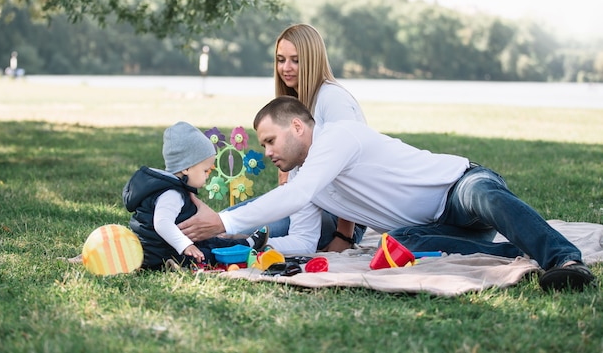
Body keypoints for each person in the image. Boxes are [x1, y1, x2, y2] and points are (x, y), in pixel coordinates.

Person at [181, 96, 596, 291]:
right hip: (429, 229)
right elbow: (306, 240)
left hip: (456, 186)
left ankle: (565, 259)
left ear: (297, 127)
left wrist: (225, 219)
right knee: (394, 245)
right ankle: (523, 251)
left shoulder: (337, 137)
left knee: (486, 197)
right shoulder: (305, 177)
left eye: (270, 140)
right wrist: (236, 245)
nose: (267, 151)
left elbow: (296, 194)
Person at [259, 23, 368, 252]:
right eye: (281, 59)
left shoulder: (332, 99)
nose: (286, 68)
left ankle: (194, 245)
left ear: (312, 60)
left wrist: (344, 236)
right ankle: (180, 240)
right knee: (234, 218)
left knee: (256, 229)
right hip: (304, 205)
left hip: (340, 217)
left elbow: (351, 171)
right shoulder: (296, 103)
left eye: (295, 60)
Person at [123, 121, 268, 270]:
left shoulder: (169, 187)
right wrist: (185, 245)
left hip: (165, 248)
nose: (207, 176)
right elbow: (162, 223)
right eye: (205, 171)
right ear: (186, 168)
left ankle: (247, 244)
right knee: (209, 254)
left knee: (211, 241)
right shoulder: (171, 193)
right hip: (163, 252)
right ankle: (246, 249)